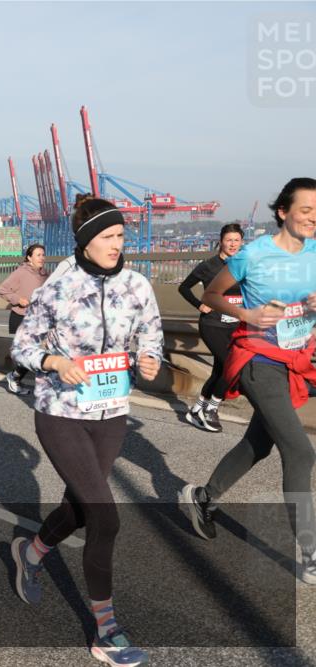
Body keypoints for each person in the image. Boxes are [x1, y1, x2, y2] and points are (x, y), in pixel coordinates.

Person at [10, 198, 162, 667]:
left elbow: (151, 334)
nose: (118, 245)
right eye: (108, 238)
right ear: (85, 241)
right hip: (60, 411)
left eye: (120, 237)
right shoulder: (59, 287)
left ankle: (29, 554)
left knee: (79, 505)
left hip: (111, 412)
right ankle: (106, 631)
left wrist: (151, 359)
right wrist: (55, 362)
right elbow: (22, 345)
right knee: (105, 517)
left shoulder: (137, 285)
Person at [182, 178, 316, 585]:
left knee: (259, 442)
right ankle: (311, 554)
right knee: (300, 451)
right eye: (306, 209)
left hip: (296, 358)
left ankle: (202, 498)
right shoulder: (254, 254)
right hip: (258, 357)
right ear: (283, 212)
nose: (313, 217)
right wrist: (249, 316)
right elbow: (214, 293)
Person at [178, 224, 244, 432]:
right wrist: (200, 305)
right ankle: (211, 409)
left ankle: (196, 410)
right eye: (229, 240)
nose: (233, 244)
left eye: (236, 240)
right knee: (230, 365)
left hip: (234, 325)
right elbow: (184, 287)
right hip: (213, 325)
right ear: (221, 241)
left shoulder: (243, 264)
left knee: (219, 370)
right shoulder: (209, 266)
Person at [0, 243, 49, 395]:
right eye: (38, 255)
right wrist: (18, 299)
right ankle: (14, 378)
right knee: (30, 353)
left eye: (43, 255)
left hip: (39, 319)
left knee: (43, 351)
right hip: (22, 318)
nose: (42, 258)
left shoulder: (45, 274)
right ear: (29, 257)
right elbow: (2, 289)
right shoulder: (21, 272)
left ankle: (17, 378)